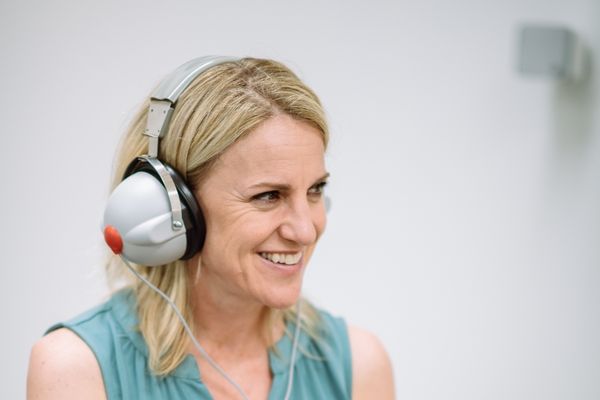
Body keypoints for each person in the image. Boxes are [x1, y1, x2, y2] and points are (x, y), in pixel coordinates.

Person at [27, 56, 395, 399]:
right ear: (174, 206)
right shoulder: (77, 367)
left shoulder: (359, 365)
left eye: (315, 190)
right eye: (268, 195)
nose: (305, 231)